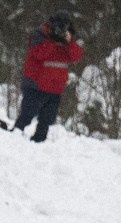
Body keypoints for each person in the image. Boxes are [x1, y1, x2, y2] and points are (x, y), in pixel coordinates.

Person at [15, 12, 83, 143]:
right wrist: (53, 40)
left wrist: (69, 42)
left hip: (55, 87)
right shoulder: (40, 34)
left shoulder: (70, 39)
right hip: (35, 84)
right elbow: (39, 53)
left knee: (46, 120)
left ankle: (38, 142)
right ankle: (14, 136)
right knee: (27, 115)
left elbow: (76, 56)